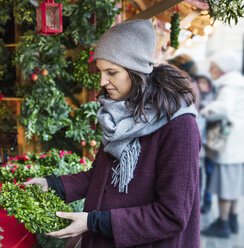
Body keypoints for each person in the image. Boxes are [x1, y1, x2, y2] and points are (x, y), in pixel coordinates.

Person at [25, 20, 201, 248]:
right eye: (100, 71)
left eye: (112, 72)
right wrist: (52, 185)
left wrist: (93, 222)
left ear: (136, 71)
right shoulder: (120, 115)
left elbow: (171, 215)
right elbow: (100, 176)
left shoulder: (180, 126)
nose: (102, 81)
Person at [200, 50, 244, 238]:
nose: (211, 72)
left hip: (229, 142)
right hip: (237, 142)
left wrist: (205, 110)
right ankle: (233, 219)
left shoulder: (228, 87)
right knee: (234, 183)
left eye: (213, 68)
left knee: (226, 183)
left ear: (222, 69)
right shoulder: (237, 83)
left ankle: (223, 223)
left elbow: (224, 109)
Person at [196, 74, 216, 214]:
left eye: (205, 82)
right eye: (200, 82)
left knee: (210, 172)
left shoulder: (215, 98)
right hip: (200, 143)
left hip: (211, 142)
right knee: (198, 173)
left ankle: (208, 201)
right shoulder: (196, 97)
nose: (202, 85)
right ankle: (198, 200)